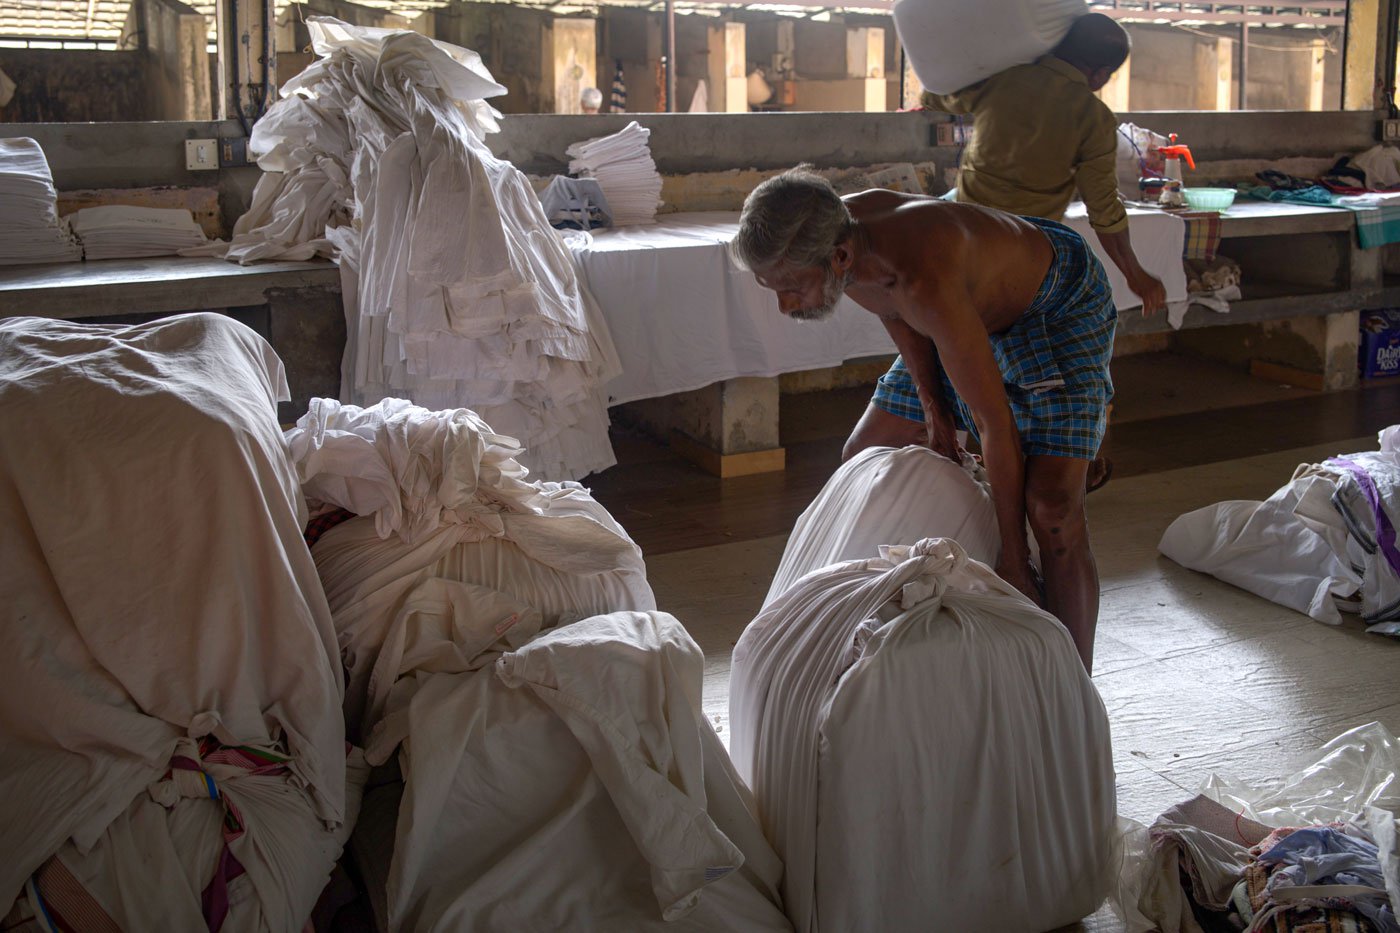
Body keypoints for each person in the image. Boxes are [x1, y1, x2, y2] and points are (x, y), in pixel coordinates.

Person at [732, 166, 1113, 671]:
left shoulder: (922, 278)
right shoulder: (830, 227)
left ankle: (1076, 684)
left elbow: (993, 422)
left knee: (1052, 512)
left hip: (1053, 306)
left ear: (841, 257)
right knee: (863, 455)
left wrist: (1016, 562)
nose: (783, 306)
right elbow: (892, 308)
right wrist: (933, 410)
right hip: (962, 307)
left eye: (790, 288)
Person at [875, 12, 1164, 491]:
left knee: (943, 342)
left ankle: (941, 426)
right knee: (1067, 356)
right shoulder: (1092, 116)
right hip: (1025, 259)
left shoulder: (1006, 81)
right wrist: (1135, 273)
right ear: (1100, 76)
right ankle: (1077, 453)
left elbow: (936, 96)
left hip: (958, 238)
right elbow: (1104, 209)